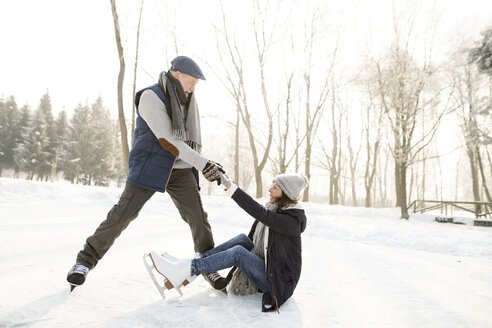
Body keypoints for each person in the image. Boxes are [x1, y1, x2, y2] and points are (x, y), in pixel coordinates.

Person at [67, 56, 228, 291]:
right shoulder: (150, 97)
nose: (194, 87)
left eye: (196, 83)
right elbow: (169, 141)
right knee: (121, 215)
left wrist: (205, 165)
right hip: (152, 163)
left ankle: (208, 265)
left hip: (181, 169)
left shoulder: (188, 100)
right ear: (176, 74)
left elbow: (189, 144)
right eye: (191, 81)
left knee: (198, 218)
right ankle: (84, 261)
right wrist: (204, 164)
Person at [147, 173, 308, 312]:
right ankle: (190, 266)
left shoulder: (291, 221)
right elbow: (255, 233)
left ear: (286, 194)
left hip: (275, 281)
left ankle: (188, 269)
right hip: (268, 268)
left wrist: (233, 190)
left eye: (276, 188)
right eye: (272, 185)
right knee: (243, 240)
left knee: (239, 252)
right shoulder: (276, 210)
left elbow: (260, 213)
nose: (270, 190)